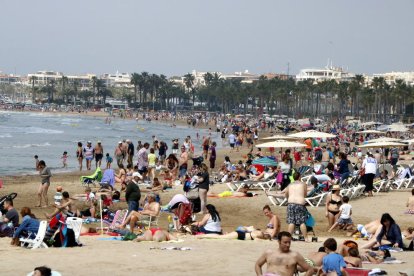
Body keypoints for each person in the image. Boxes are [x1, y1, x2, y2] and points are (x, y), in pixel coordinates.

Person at [284, 172, 309, 241]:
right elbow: (305, 195)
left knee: (291, 222)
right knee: (301, 222)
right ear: (299, 177)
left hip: (290, 203)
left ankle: (288, 238)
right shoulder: (303, 184)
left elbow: (286, 194)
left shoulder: (290, 184)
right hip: (299, 203)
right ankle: (306, 238)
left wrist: (289, 198)